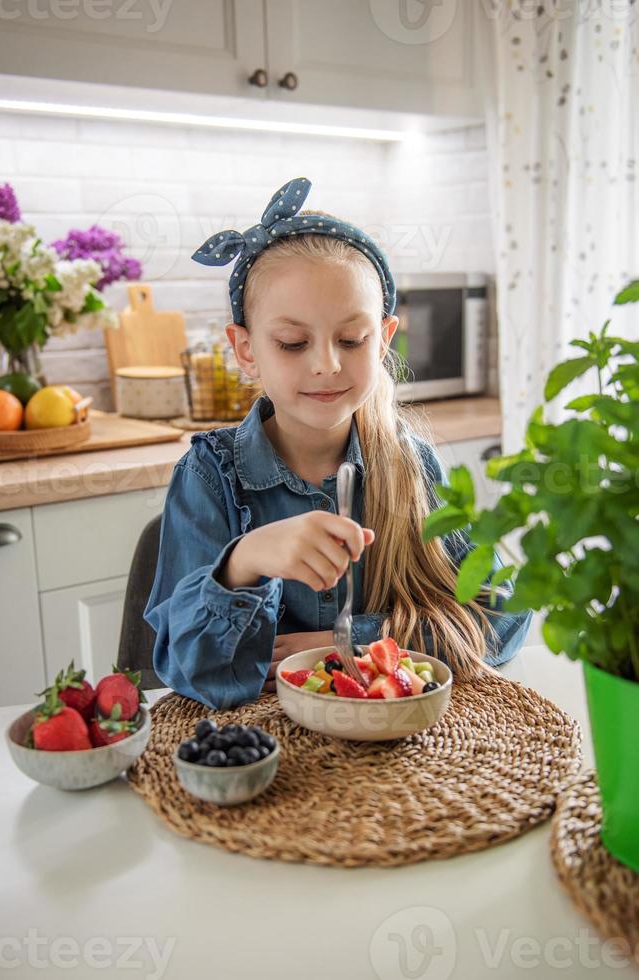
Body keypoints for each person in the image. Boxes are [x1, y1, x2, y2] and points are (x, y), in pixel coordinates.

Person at [144, 176, 532, 710]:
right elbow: (189, 669)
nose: (326, 363)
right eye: (292, 342)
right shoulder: (209, 475)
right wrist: (246, 560)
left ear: (384, 340)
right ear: (246, 349)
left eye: (352, 340)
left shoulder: (411, 464)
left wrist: (353, 645)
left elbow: (503, 615)